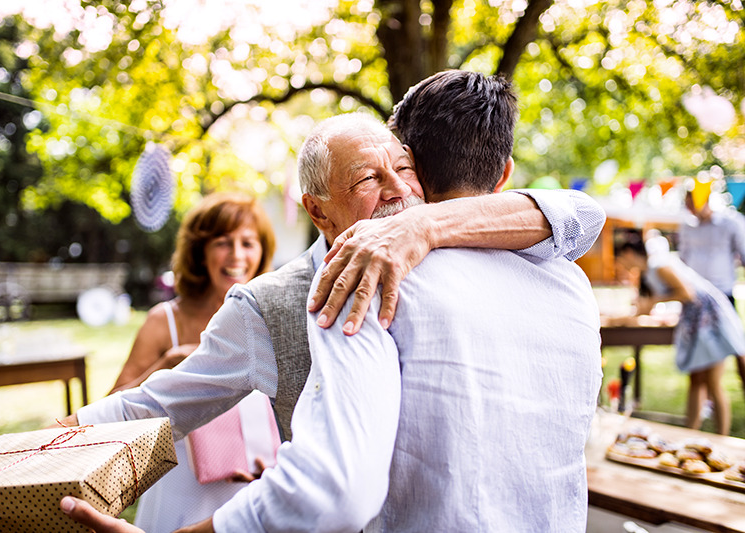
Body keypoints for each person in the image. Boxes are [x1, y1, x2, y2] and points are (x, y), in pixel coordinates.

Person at [0, 113, 605, 527]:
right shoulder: (276, 303)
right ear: (318, 210)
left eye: (403, 168)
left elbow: (581, 215)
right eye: (366, 177)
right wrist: (32, 447)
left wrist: (426, 224)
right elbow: (158, 406)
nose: (398, 189)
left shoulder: (466, 257)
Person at [205, 71, 603, 532]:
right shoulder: (571, 284)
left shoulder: (372, 276)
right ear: (507, 172)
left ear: (412, 167)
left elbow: (338, 492)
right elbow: (582, 214)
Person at [116, 192, 280, 532]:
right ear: (200, 251)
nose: (236, 255)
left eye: (248, 243)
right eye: (222, 242)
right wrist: (165, 365)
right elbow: (113, 410)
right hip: (179, 494)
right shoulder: (165, 322)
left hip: (253, 496)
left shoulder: (271, 318)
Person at [617, 230, 745, 435]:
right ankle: (690, 434)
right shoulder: (649, 272)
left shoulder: (659, 265)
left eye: (621, 257)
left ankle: (723, 438)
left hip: (709, 319)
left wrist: (655, 301)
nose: (621, 263)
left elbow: (688, 293)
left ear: (630, 253)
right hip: (697, 322)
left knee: (713, 382)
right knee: (695, 380)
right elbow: (647, 306)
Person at [678, 192, 745, 390]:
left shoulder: (730, 222)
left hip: (722, 295)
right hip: (695, 298)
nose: (690, 208)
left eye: (692, 202)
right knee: (698, 355)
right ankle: (705, 403)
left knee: (737, 348)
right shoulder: (687, 227)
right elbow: (683, 260)